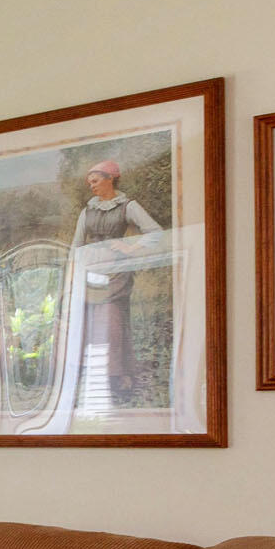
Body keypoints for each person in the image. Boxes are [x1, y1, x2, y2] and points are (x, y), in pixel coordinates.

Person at [71, 160, 164, 407]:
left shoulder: (127, 206)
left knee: (112, 322)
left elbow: (155, 232)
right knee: (86, 323)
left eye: (95, 180)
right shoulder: (87, 211)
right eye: (89, 182)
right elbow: (77, 246)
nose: (91, 186)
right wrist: (76, 270)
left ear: (110, 179)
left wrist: (130, 246)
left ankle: (118, 377)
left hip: (116, 272)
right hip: (90, 272)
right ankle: (87, 379)